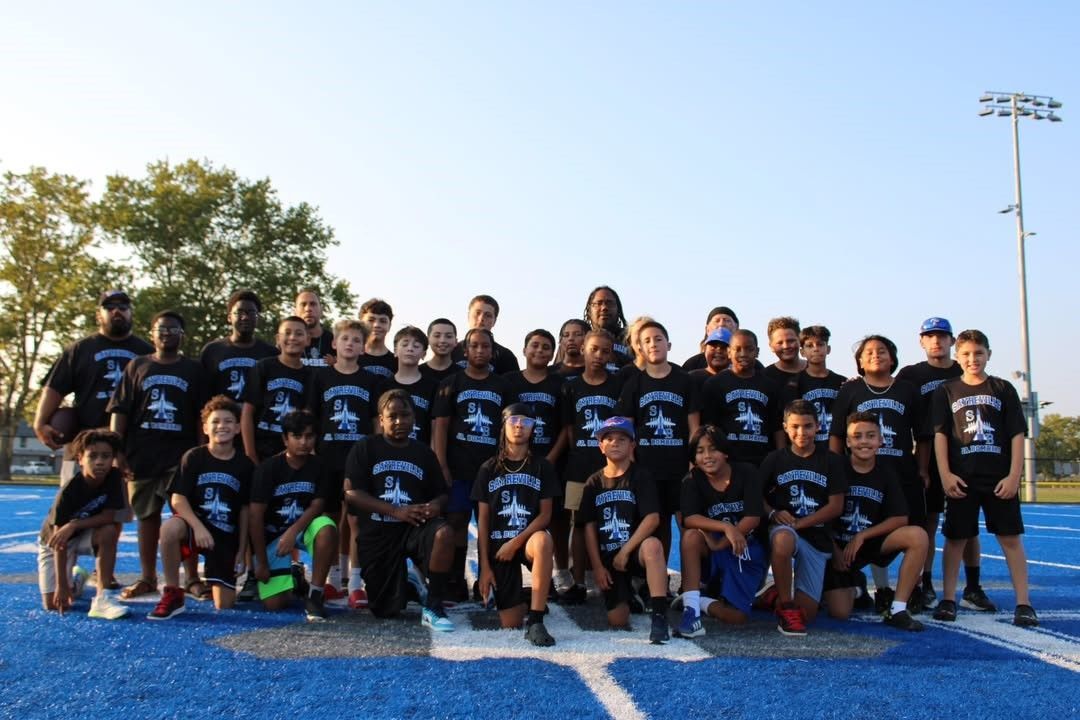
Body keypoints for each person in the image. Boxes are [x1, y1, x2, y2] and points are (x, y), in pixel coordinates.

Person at [931, 329, 1036, 627]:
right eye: (966, 354)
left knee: (1010, 539)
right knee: (955, 539)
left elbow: (1017, 434)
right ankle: (948, 598)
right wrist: (945, 474)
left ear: (989, 354)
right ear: (957, 356)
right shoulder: (947, 391)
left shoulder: (1002, 389)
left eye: (978, 353)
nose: (972, 359)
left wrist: (1014, 475)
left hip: (998, 477)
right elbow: (940, 435)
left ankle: (1024, 602)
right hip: (962, 478)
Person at [108, 310, 206, 600]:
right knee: (146, 517)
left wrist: (201, 453)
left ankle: (191, 577)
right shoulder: (137, 366)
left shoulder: (193, 370)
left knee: (185, 517)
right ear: (151, 334)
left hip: (180, 455)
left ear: (182, 336)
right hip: (142, 454)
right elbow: (120, 410)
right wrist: (117, 450)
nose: (167, 334)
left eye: (173, 329)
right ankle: (148, 577)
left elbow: (201, 416)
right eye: (161, 329)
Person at [343, 390, 455, 630]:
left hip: (414, 528)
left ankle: (434, 606)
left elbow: (442, 493)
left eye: (405, 415)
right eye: (392, 416)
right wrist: (395, 510)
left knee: (444, 533)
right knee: (384, 610)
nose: (399, 421)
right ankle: (409, 582)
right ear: (381, 419)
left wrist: (435, 506)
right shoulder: (365, 447)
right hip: (379, 532)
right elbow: (351, 493)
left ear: (414, 418)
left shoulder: (424, 453)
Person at [896, 317, 987, 611]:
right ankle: (925, 584)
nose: (936, 341)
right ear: (921, 341)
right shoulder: (911, 374)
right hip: (929, 457)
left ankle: (973, 586)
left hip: (965, 456)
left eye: (942, 336)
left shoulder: (965, 369)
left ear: (952, 341)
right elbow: (885, 389)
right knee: (929, 522)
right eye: (930, 336)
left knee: (968, 526)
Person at [829, 335, 922, 613]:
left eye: (881, 351)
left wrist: (921, 469)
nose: (875, 355)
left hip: (898, 473)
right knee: (840, 611)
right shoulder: (851, 390)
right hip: (856, 479)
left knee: (914, 532)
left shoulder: (906, 390)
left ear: (893, 357)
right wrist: (834, 468)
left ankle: (902, 597)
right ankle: (860, 585)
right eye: (868, 352)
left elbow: (923, 435)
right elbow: (836, 433)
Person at [822, 412, 928, 631]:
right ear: (847, 441)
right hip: (838, 547)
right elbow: (821, 517)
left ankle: (897, 609)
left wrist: (863, 535)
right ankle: (857, 586)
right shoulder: (835, 468)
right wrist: (834, 549)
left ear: (881, 440)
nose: (864, 441)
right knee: (840, 612)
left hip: (868, 543)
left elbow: (900, 517)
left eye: (870, 436)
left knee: (918, 536)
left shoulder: (886, 470)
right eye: (857, 436)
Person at [150, 396, 254, 619]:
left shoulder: (245, 465)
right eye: (215, 421)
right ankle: (173, 592)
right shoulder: (194, 457)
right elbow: (178, 499)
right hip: (196, 526)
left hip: (225, 535)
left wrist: (242, 550)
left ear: (238, 428)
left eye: (228, 421)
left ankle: (215, 577)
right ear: (205, 428)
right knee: (169, 529)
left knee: (224, 605)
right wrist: (198, 528)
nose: (222, 426)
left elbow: (245, 510)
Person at [34, 289, 153, 483]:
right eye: (110, 307)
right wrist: (40, 423)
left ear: (131, 313)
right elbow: (54, 388)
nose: (117, 311)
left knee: (124, 501)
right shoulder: (79, 349)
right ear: (99, 315)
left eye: (123, 307)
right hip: (84, 440)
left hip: (129, 445)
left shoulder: (147, 353)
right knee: (72, 497)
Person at [432, 327, 510, 600]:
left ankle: (490, 579)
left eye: (485, 346)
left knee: (494, 524)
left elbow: (509, 427)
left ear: (492, 351)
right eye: (474, 346)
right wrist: (441, 464)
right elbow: (441, 426)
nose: (479, 350)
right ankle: (455, 579)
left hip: (492, 468)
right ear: (464, 351)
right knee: (456, 520)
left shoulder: (502, 386)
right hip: (459, 466)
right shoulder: (451, 382)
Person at [306, 319, 379, 607]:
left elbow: (375, 421)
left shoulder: (370, 380)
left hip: (358, 459)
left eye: (356, 340)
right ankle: (333, 579)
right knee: (331, 518)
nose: (350, 343)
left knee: (356, 519)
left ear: (363, 348)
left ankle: (356, 583)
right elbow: (312, 417)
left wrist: (374, 455)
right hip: (327, 457)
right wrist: (312, 452)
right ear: (334, 343)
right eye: (345, 338)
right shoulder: (320, 377)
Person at [473, 403, 559, 646]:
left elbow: (545, 516)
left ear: (533, 429)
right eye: (513, 421)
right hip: (499, 547)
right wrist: (484, 568)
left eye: (526, 422)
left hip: (526, 540)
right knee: (510, 622)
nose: (519, 426)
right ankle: (528, 596)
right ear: (503, 426)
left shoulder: (542, 466)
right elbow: (483, 521)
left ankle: (536, 620)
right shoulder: (488, 468)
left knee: (543, 540)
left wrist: (515, 543)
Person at [579, 417, 670, 644]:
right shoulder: (593, 482)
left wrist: (626, 551)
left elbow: (652, 518)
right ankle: (629, 595)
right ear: (601, 446)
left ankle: (659, 616)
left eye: (622, 439)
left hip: (634, 550)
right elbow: (589, 527)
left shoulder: (641, 475)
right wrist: (597, 567)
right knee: (617, 620)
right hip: (609, 557)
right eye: (609, 438)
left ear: (632, 445)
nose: (615, 443)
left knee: (653, 546)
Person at [759, 400, 846, 636]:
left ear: (818, 426)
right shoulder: (774, 459)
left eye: (807, 426)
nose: (801, 432)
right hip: (786, 531)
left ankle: (775, 594)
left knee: (807, 613)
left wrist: (799, 523)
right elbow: (756, 496)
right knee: (783, 538)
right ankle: (786, 605)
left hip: (816, 538)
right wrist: (773, 512)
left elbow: (836, 506)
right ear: (785, 427)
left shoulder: (832, 460)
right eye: (795, 426)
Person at [616, 320, 699, 561]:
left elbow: (694, 427)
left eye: (658, 339)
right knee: (656, 523)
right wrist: (631, 464)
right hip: (647, 467)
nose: (653, 344)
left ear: (669, 344)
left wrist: (693, 463)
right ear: (639, 349)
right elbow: (627, 429)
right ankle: (657, 576)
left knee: (687, 523)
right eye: (647, 341)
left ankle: (691, 579)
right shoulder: (634, 383)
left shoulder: (686, 380)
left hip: (680, 467)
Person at [249, 409, 339, 622]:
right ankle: (295, 578)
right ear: (285, 439)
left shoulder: (320, 466)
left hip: (301, 529)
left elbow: (317, 505)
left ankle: (315, 595)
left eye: (309, 436)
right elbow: (255, 517)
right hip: (273, 536)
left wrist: (293, 531)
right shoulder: (268, 469)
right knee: (274, 605)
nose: (304, 442)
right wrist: (261, 563)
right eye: (297, 436)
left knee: (327, 527)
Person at [676, 425, 765, 637]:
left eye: (713, 449)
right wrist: (726, 528)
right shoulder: (692, 479)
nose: (707, 456)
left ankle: (701, 601)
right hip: (714, 547)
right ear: (694, 458)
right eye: (700, 451)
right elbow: (690, 518)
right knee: (690, 537)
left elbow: (753, 516)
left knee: (737, 617)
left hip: (744, 547)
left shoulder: (747, 472)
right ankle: (691, 611)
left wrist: (725, 540)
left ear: (725, 452)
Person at [36, 428, 129, 619]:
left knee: (109, 531)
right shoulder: (69, 490)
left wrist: (75, 525)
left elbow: (109, 516)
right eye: (92, 456)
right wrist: (62, 586)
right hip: (56, 543)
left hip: (82, 533)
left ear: (113, 459)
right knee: (52, 604)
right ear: (80, 459)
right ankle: (76, 581)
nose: (99, 462)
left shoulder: (114, 477)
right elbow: (59, 542)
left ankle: (103, 598)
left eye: (106, 456)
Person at [557, 329, 619, 602]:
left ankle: (614, 579)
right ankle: (579, 581)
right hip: (579, 465)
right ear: (583, 349)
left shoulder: (616, 385)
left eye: (605, 351)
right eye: (594, 349)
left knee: (612, 519)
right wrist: (577, 452)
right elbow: (569, 428)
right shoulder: (571, 387)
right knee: (579, 523)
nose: (599, 355)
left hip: (610, 465)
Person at [700, 329, 785, 467]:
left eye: (749, 349)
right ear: (729, 352)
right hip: (729, 461)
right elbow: (709, 427)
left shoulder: (770, 385)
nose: (743, 354)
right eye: (737, 349)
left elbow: (777, 426)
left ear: (757, 352)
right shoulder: (715, 384)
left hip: (763, 460)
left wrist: (781, 458)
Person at [241, 316, 311, 465]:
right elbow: (247, 412)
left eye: (299, 334)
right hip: (261, 449)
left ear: (308, 340)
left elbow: (307, 417)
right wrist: (250, 454)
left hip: (292, 453)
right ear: (278, 339)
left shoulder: (310, 375)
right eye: (287, 333)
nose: (292, 337)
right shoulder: (263, 367)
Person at [199, 289, 276, 403]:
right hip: (221, 413)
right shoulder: (212, 351)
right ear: (229, 317)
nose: (245, 317)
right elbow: (202, 393)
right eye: (239, 312)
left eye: (251, 313)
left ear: (258, 318)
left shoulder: (270, 353)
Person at [503, 329, 566, 462]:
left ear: (552, 355)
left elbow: (565, 427)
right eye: (535, 345)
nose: (540, 350)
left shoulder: (561, 384)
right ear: (524, 350)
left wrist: (550, 460)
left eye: (546, 347)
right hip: (513, 457)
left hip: (548, 457)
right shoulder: (508, 381)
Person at [378, 326, 440, 444]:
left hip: (421, 450)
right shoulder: (383, 387)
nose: (410, 349)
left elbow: (435, 428)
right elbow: (378, 426)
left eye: (416, 346)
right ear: (395, 351)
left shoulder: (434, 387)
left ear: (424, 354)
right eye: (405, 344)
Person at [794, 325, 845, 449]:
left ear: (828, 349)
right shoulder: (795, 383)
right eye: (809, 345)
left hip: (835, 447)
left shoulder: (842, 382)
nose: (816, 349)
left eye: (820, 344)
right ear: (802, 352)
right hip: (807, 447)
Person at [450, 295, 520, 374]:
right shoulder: (452, 351)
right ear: (468, 316)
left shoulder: (506, 356)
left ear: (494, 321)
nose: (481, 319)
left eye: (488, 315)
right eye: (477, 313)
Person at [583, 286, 632, 368]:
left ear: (618, 310)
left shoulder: (632, 338)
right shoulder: (581, 339)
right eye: (598, 303)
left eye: (610, 303)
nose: (604, 308)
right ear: (589, 311)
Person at [682, 306, 739, 371]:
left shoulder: (744, 362)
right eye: (717, 321)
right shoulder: (693, 365)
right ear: (707, 329)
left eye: (727, 321)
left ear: (737, 328)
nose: (721, 324)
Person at [762, 316, 806, 394]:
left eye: (791, 341)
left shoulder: (816, 370)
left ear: (800, 341)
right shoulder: (765, 377)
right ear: (771, 346)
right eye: (780, 343)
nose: (786, 346)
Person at [358, 298, 398, 379]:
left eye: (383, 321)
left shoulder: (398, 363)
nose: (376, 325)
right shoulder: (349, 357)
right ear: (361, 324)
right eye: (371, 320)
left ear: (389, 326)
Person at [295, 289, 335, 367]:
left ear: (321, 310)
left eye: (313, 304)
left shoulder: (334, 342)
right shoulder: (289, 342)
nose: (308, 309)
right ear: (295, 311)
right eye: (303, 304)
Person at [687, 327, 732, 393]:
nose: (718, 351)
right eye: (713, 346)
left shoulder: (738, 380)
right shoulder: (690, 378)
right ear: (705, 350)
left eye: (724, 347)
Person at [422, 318, 459, 384]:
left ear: (456, 342)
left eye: (448, 336)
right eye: (437, 336)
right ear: (428, 340)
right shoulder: (417, 372)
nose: (442, 340)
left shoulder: (462, 374)